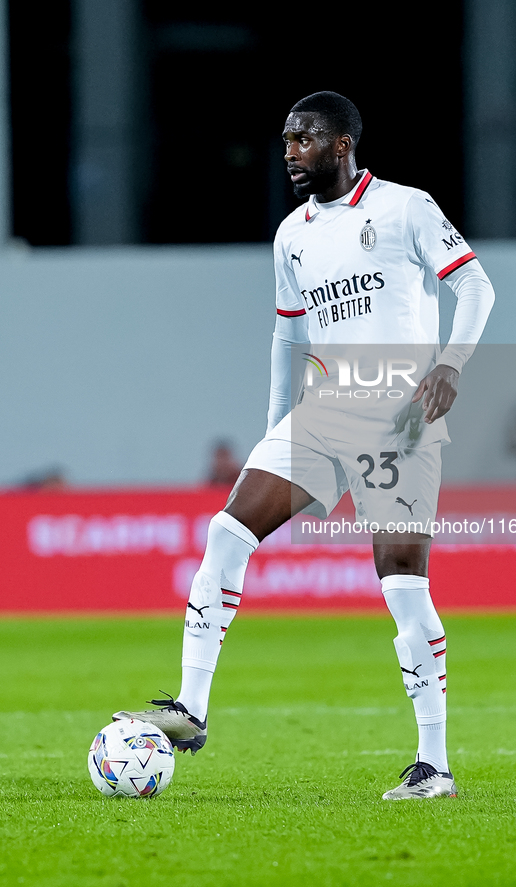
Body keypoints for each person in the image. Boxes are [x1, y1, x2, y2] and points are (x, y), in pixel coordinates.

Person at [114, 92, 495, 800]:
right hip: (323, 413)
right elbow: (287, 336)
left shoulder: (406, 208)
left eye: (304, 138)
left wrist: (449, 365)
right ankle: (190, 710)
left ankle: (433, 763)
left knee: (403, 586)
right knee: (226, 532)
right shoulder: (291, 233)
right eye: (286, 139)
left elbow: (473, 285)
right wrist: (273, 424)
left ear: (342, 143)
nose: (289, 151)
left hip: (400, 416)